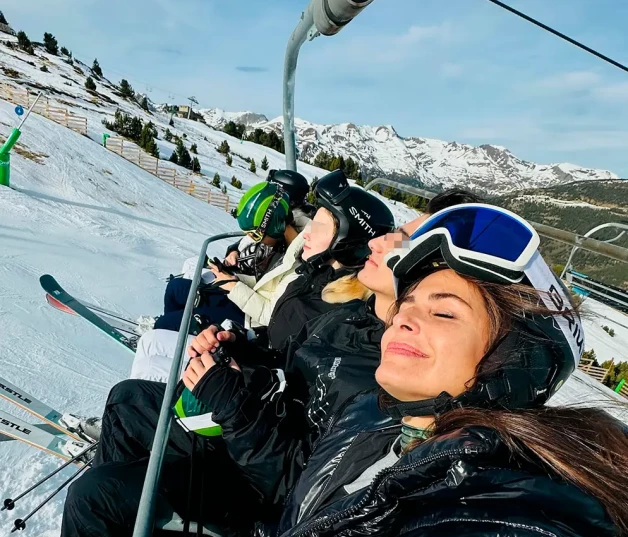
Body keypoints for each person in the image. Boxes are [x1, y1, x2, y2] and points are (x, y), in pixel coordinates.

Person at [185, 203, 628, 537]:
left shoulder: (493, 498)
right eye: (408, 303)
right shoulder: (373, 415)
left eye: (445, 314)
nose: (403, 319)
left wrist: (234, 404)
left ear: (511, 363)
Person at [59, 189, 480, 535]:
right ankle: (136, 508)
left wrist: (231, 402)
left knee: (97, 496)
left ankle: (128, 504)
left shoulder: (386, 367)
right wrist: (240, 352)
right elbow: (290, 367)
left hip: (253, 487)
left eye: (402, 240)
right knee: (129, 400)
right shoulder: (350, 317)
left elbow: (293, 485)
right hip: (247, 435)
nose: (379, 242)